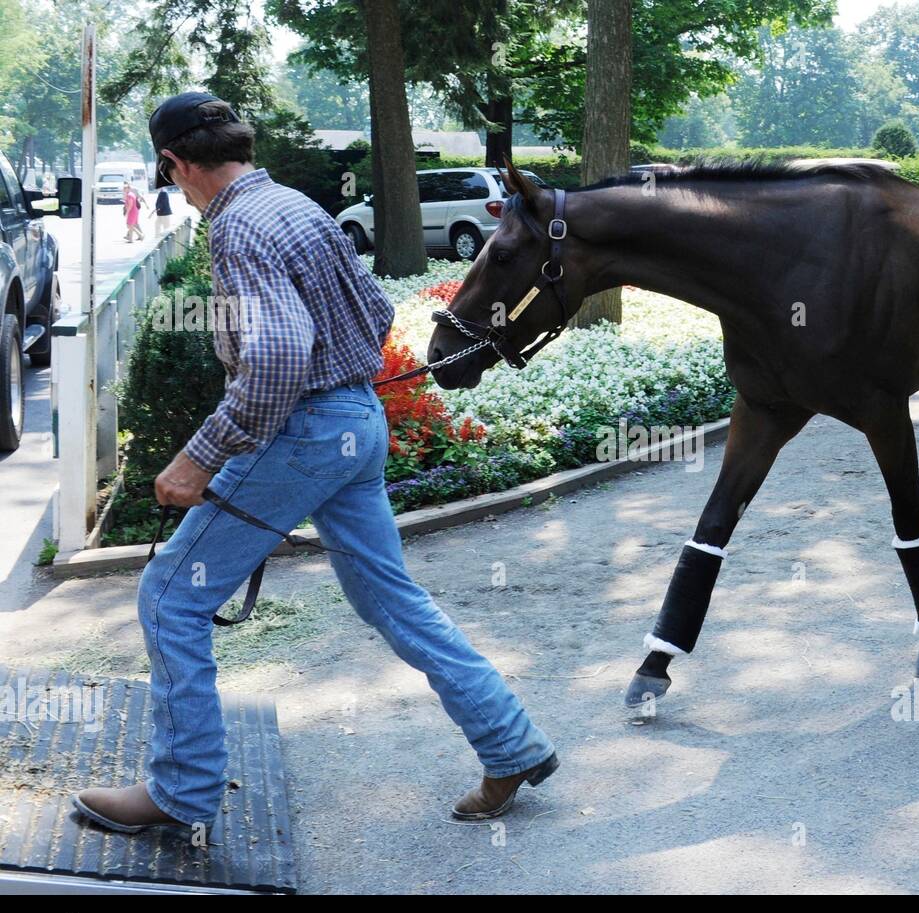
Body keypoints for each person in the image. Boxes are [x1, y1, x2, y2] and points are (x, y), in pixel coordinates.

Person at [72, 91, 558, 836]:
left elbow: (272, 358)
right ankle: (510, 741)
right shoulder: (294, 204)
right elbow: (373, 310)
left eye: (166, 175)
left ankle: (181, 791)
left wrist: (197, 459)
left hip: (303, 434)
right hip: (355, 422)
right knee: (390, 600)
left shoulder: (236, 228)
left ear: (174, 163)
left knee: (171, 595)